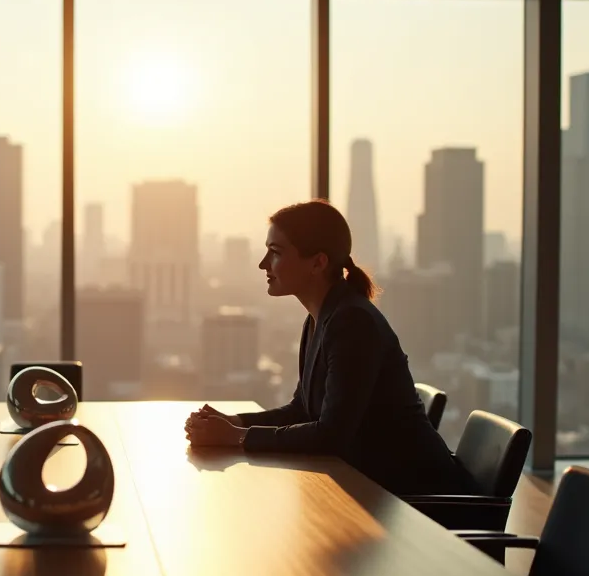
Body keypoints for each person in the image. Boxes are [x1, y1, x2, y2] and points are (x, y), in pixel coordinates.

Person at [184, 200, 472, 496]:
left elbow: (331, 435)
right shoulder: (321, 319)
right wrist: (233, 423)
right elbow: (301, 410)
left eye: (276, 252)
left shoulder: (352, 322)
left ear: (318, 263)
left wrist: (239, 437)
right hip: (378, 493)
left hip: (420, 504)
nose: (263, 264)